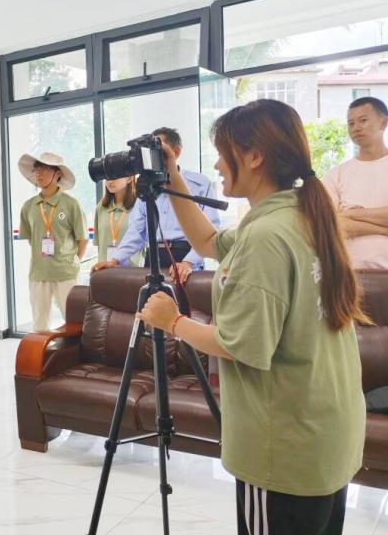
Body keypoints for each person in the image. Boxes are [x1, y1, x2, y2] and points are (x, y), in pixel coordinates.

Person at [138, 99, 367, 535]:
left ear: (255, 156)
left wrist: (172, 321)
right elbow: (207, 241)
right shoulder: (300, 215)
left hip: (284, 447)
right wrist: (173, 177)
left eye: (223, 153)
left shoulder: (265, 235)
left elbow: (239, 345)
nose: (217, 166)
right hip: (325, 435)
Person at [91, 127, 221, 282]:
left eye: (158, 152)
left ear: (176, 152)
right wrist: (115, 260)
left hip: (186, 257)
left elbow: (210, 230)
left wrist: (188, 262)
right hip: (153, 258)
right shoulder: (146, 185)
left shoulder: (199, 184)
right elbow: (137, 230)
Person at [17, 152, 88, 332]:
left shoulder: (71, 204)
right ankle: (44, 351)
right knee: (39, 325)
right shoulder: (29, 206)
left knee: (74, 321)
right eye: (37, 169)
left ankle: (75, 351)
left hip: (66, 272)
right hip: (38, 273)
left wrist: (73, 261)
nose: (39, 173)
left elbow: (82, 239)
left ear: (58, 174)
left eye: (45, 169)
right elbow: (32, 239)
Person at [322, 96, 388, 269]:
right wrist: (382, 228)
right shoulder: (335, 175)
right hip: (348, 274)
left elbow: (343, 219)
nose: (356, 128)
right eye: (350, 123)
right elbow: (329, 224)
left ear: (383, 122)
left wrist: (354, 214)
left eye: (363, 120)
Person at [93, 177, 141, 266]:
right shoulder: (101, 207)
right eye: (106, 176)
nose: (110, 181)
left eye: (115, 176)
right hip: (104, 269)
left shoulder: (140, 207)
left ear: (129, 178)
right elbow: (99, 244)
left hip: (131, 270)